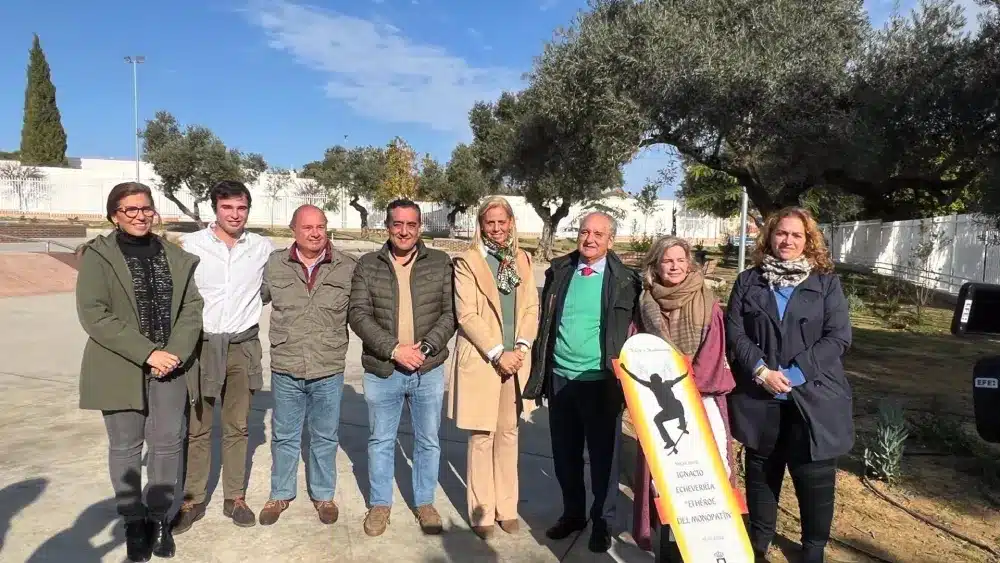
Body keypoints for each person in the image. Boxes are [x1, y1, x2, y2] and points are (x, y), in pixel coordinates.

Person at [76, 182, 204, 562]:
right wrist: (148, 352)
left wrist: (174, 353)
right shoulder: (98, 256)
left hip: (170, 367)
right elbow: (94, 313)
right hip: (119, 364)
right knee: (126, 446)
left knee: (167, 443)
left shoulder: (174, 256)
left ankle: (160, 518)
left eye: (145, 208)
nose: (139, 215)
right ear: (114, 215)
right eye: (129, 209)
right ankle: (133, 521)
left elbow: (191, 308)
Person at [726, 207, 852, 563]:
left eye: (797, 235)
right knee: (762, 473)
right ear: (769, 236)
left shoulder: (825, 283)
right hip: (760, 395)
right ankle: (760, 541)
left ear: (808, 240)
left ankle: (813, 547)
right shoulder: (749, 281)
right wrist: (761, 371)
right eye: (781, 233)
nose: (788, 241)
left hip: (814, 396)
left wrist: (794, 374)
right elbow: (735, 332)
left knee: (814, 476)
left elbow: (838, 337)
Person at [522, 211, 642, 553]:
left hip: (602, 383)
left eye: (598, 234)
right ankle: (573, 513)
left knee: (605, 458)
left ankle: (602, 521)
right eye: (585, 231)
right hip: (561, 378)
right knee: (565, 455)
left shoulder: (627, 281)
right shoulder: (559, 271)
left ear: (610, 240)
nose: (590, 239)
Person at [348, 199, 456, 537]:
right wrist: (394, 350)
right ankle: (380, 504)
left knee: (428, 440)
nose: (404, 231)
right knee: (381, 439)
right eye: (397, 224)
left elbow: (451, 313)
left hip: (428, 367)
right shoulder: (368, 264)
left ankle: (424, 502)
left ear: (420, 227)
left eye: (411, 224)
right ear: (388, 226)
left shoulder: (440, 263)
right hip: (383, 369)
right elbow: (358, 314)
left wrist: (423, 349)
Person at [173, 180, 274, 532]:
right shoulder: (191, 245)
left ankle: (235, 497)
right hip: (201, 346)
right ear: (215, 208)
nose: (235, 214)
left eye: (241, 208)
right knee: (198, 427)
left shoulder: (261, 247)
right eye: (228, 207)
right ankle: (192, 500)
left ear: (248, 209)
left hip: (243, 346)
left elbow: (266, 289)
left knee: (238, 425)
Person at [628, 236, 737, 560]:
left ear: (689, 263)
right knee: (665, 480)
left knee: (711, 472)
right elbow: (636, 348)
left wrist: (688, 389)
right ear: (655, 265)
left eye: (680, 260)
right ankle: (670, 550)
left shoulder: (707, 301)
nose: (674, 266)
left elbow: (714, 352)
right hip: (660, 401)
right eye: (667, 261)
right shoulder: (645, 303)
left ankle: (710, 545)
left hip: (702, 398)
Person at [256, 205, 356, 526]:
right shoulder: (275, 265)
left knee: (324, 435)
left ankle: (323, 495)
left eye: (320, 226)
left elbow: (364, 312)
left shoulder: (347, 267)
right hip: (286, 366)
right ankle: (280, 493)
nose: (315, 233)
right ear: (293, 231)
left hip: (328, 367)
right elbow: (249, 300)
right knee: (285, 435)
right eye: (307, 227)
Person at [447, 196, 539, 539]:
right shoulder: (468, 262)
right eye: (490, 223)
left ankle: (508, 507)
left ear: (511, 223)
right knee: (482, 436)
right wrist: (498, 352)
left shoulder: (523, 260)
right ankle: (481, 511)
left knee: (509, 434)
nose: (497, 229)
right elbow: (466, 314)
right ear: (481, 226)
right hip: (485, 361)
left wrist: (521, 348)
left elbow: (531, 307)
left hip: (517, 360)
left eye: (502, 222)